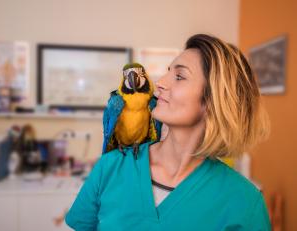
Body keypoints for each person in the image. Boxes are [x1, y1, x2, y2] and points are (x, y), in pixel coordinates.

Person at [65, 34, 271, 231]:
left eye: (179, 76)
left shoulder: (244, 202)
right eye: (168, 71)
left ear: (212, 101)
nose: (160, 83)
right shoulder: (110, 167)